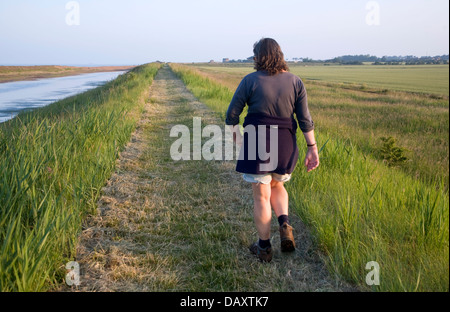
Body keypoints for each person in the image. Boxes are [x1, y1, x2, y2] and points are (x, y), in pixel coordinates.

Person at [225, 38, 319, 262]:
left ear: (258, 57)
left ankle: (264, 247)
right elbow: (305, 120)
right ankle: (284, 223)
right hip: (285, 143)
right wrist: (312, 147)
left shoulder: (250, 81)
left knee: (261, 196)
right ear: (280, 54)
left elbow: (231, 114)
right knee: (277, 184)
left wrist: (237, 136)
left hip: (258, 141)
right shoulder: (296, 82)